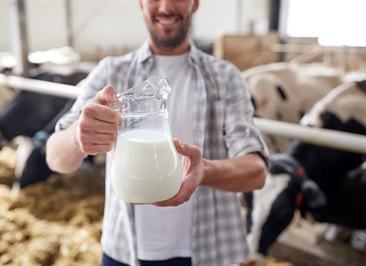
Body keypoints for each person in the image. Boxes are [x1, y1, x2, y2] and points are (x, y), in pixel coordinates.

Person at [46, 0, 270, 265]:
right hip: (124, 251)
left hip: (210, 253)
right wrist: (76, 136)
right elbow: (55, 158)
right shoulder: (111, 72)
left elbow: (257, 171)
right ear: (140, 3)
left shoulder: (226, 77)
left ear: (195, 3)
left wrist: (205, 171)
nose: (165, 7)